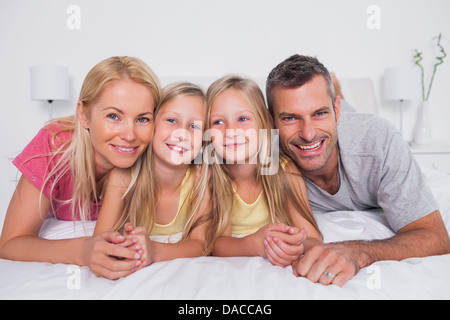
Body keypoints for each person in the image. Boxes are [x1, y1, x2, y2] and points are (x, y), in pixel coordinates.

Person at [266, 54, 450, 286]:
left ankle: (337, 90)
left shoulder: (378, 140)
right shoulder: (265, 155)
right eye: (290, 118)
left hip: (354, 127)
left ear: (336, 111)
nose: (308, 133)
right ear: (271, 123)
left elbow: (437, 238)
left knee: (342, 125)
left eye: (320, 113)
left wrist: (358, 251)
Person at [0, 56, 161, 280]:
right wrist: (82, 250)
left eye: (143, 119)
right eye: (114, 116)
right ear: (84, 115)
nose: (130, 135)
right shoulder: (54, 144)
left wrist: (119, 179)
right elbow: (10, 243)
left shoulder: (159, 150)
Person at [204, 75, 322, 267]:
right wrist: (255, 244)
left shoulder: (285, 171)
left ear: (266, 123)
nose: (231, 130)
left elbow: (313, 237)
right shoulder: (212, 177)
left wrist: (295, 245)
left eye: (242, 119)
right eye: (218, 122)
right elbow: (216, 244)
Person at [93, 82, 210, 268]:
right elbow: (99, 243)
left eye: (195, 126)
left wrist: (154, 250)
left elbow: (201, 245)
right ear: (152, 124)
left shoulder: (201, 177)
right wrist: (124, 247)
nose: (182, 134)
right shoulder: (125, 175)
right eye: (171, 120)